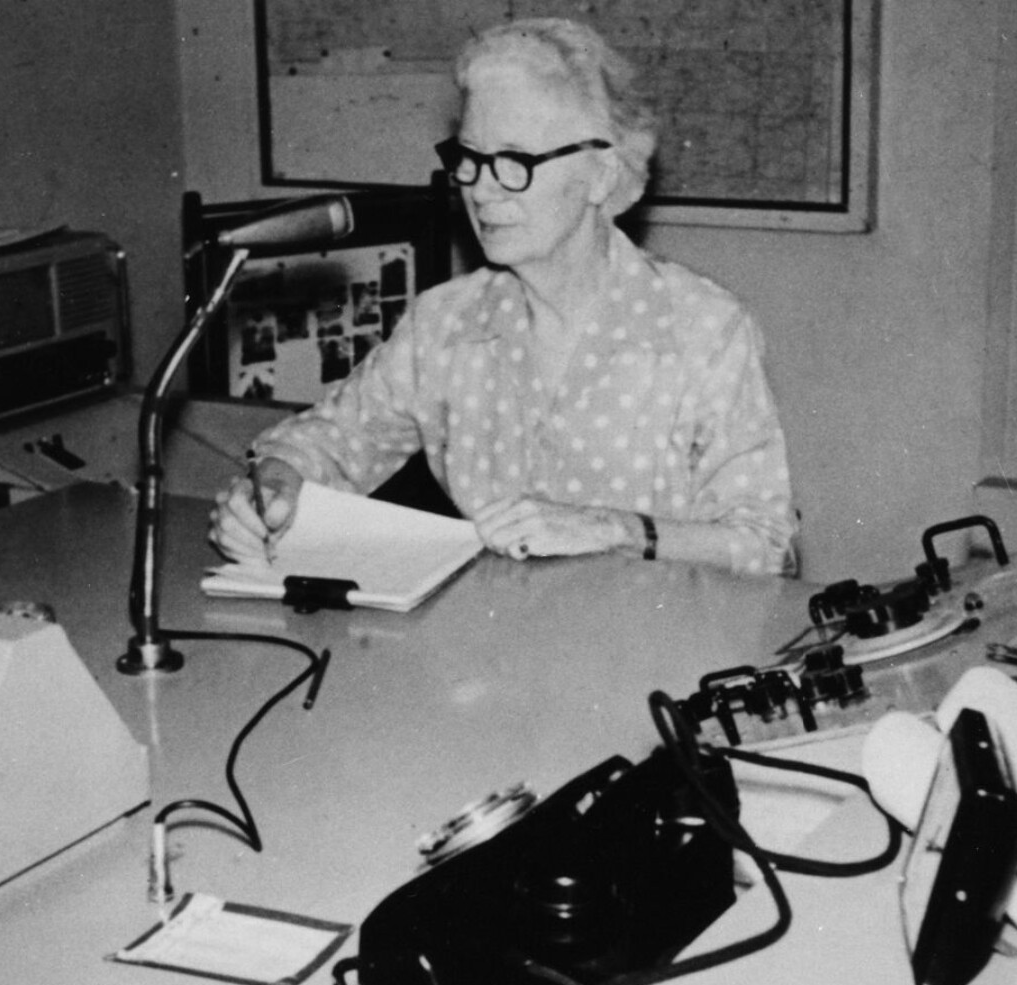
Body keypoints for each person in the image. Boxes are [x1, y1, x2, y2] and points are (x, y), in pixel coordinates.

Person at [208, 17, 798, 576]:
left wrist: (615, 529)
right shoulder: (445, 324)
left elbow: (767, 547)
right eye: (469, 158)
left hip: (652, 656)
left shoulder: (704, 330)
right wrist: (277, 486)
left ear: (602, 176)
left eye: (514, 161)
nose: (481, 189)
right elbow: (332, 441)